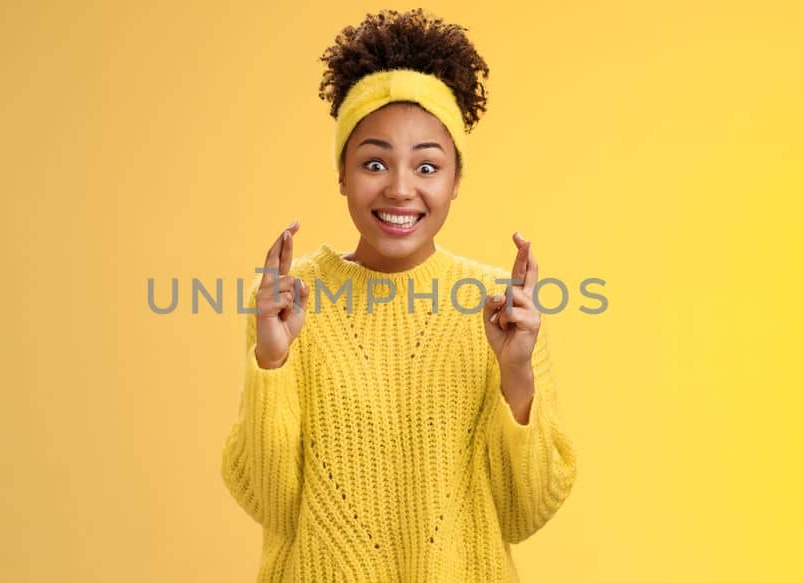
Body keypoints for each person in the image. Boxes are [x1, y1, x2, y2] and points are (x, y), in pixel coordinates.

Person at [220, 9, 576, 581]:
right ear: (341, 173)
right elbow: (271, 504)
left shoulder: (500, 309)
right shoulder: (290, 303)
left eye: (427, 165)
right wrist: (272, 359)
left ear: (456, 179)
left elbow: (524, 511)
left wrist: (517, 376)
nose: (400, 188)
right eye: (375, 162)